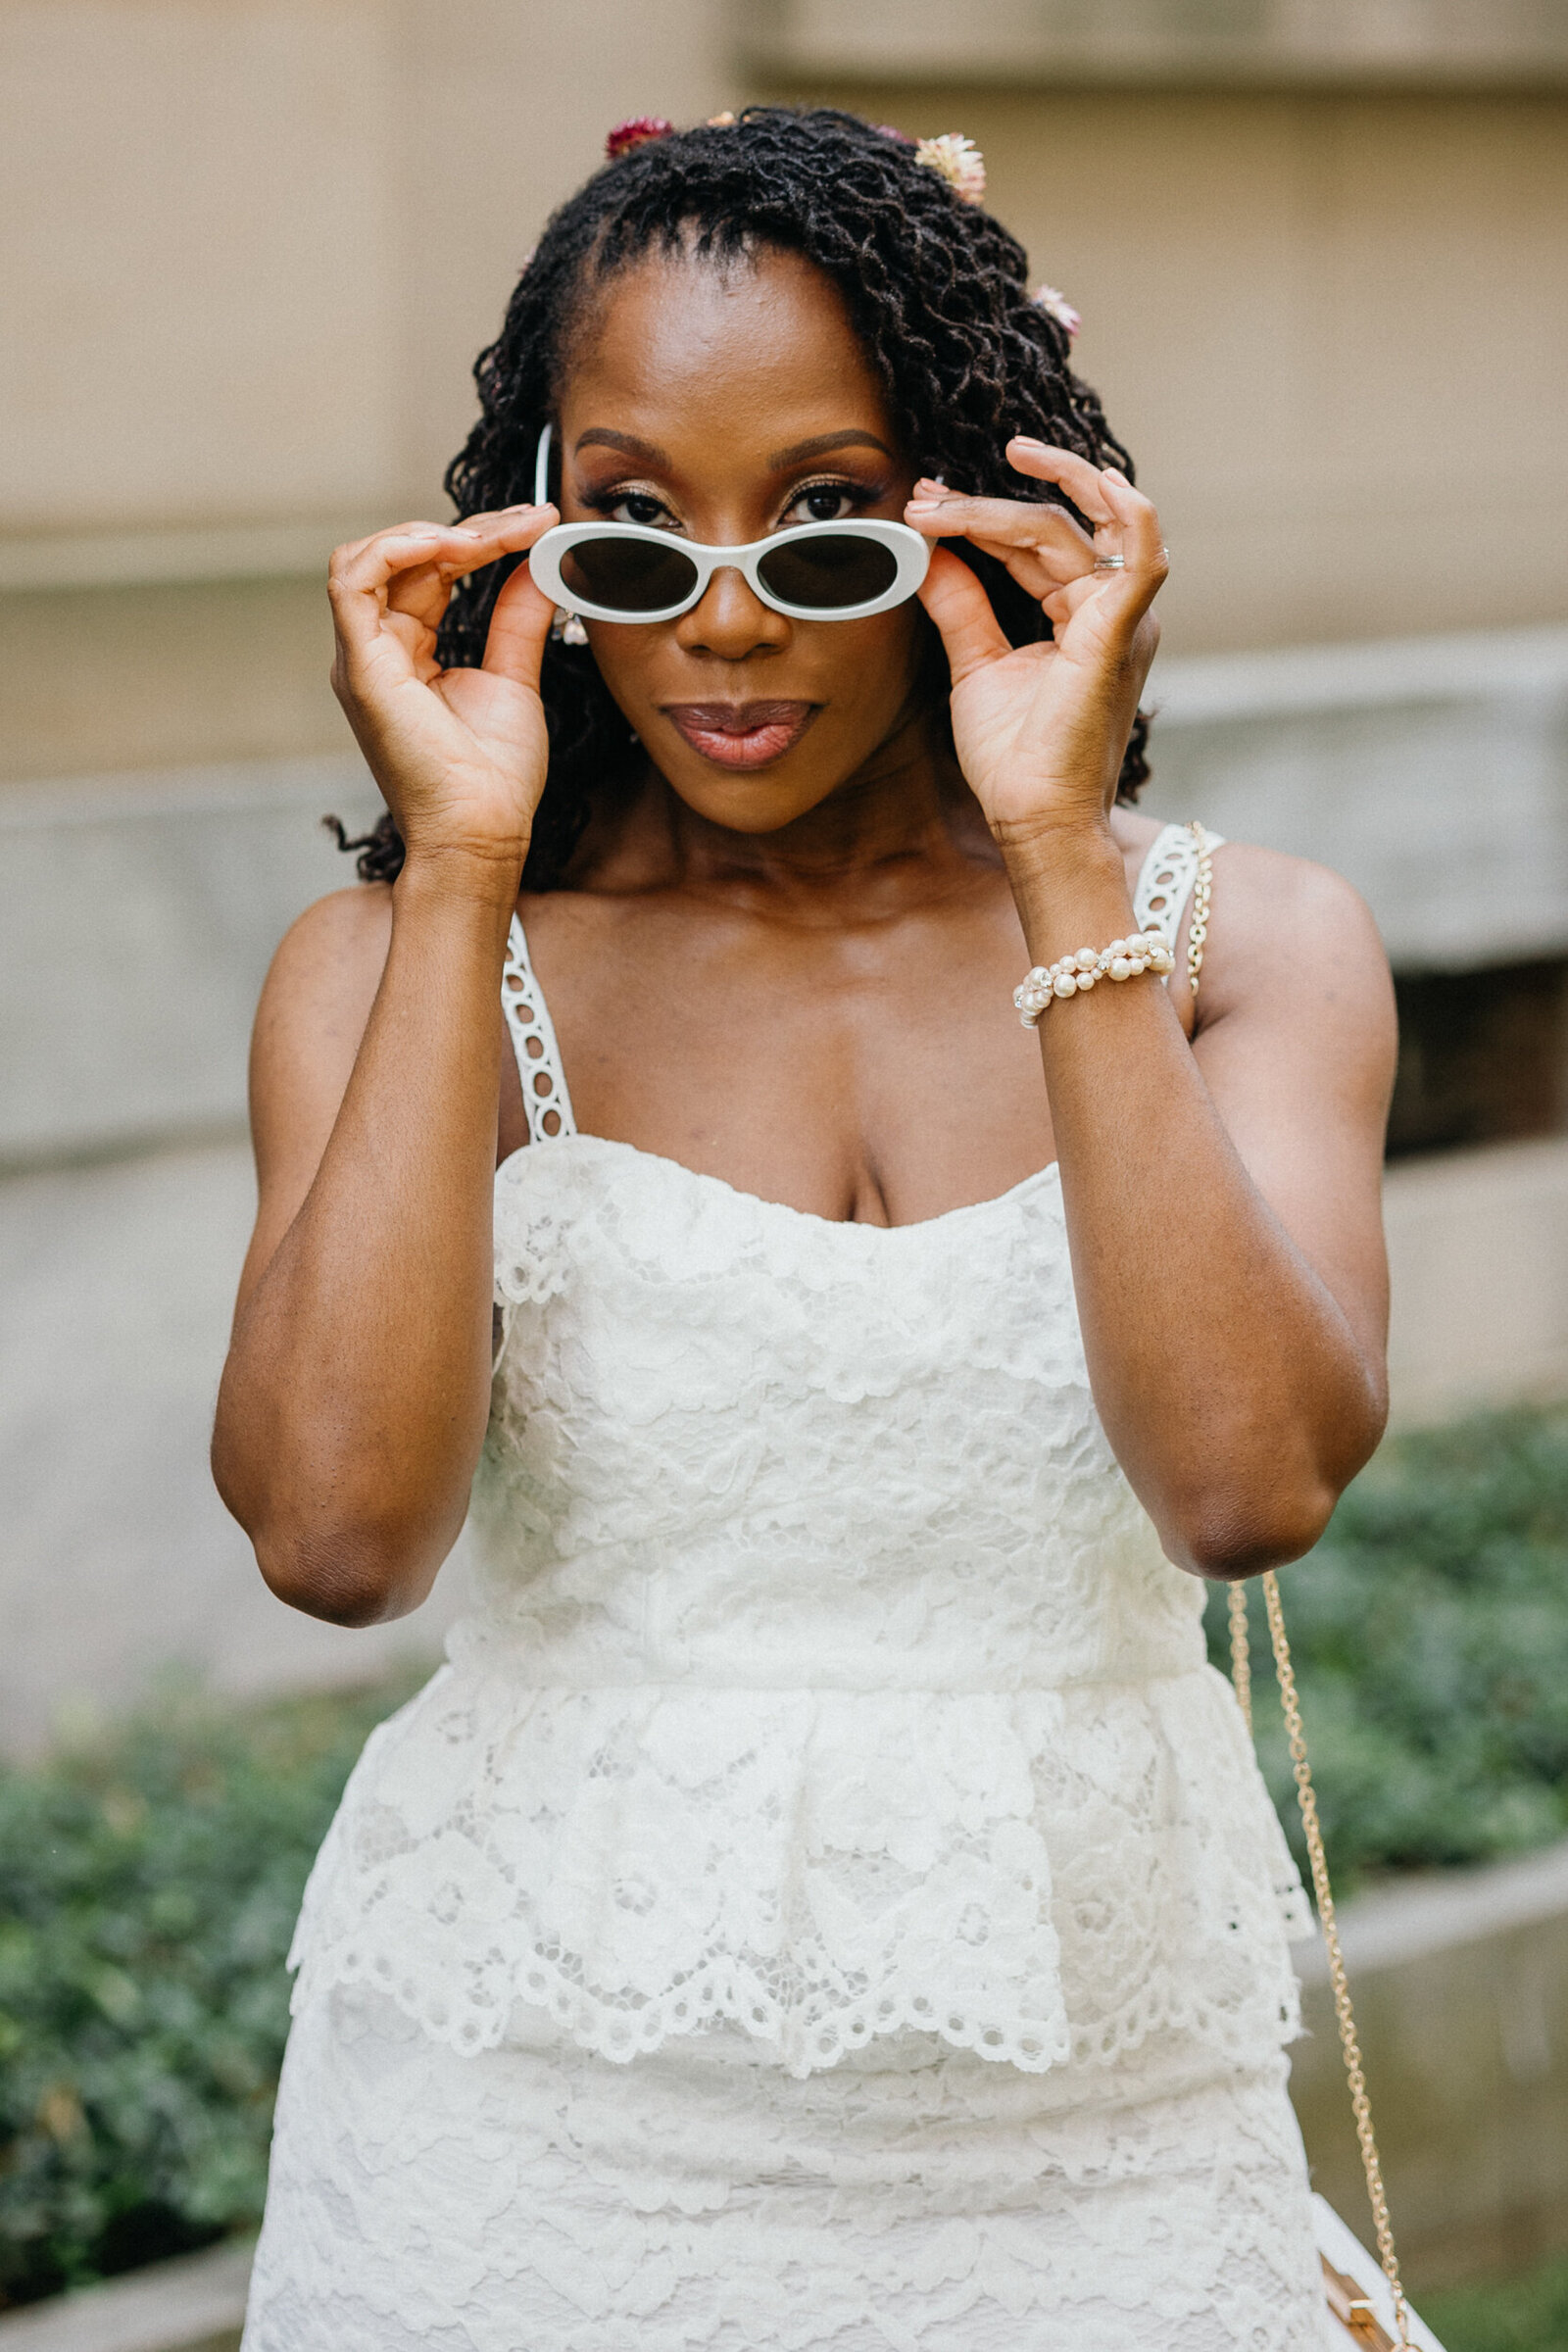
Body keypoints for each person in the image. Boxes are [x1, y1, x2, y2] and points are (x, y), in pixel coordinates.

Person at [214, 106, 1396, 2352]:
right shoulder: (392, 971)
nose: (727, 620)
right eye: (634, 534)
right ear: (527, 535)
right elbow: (338, 1538)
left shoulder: (1247, 947)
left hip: (1098, 2133)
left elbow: (1244, 1486)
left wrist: (1055, 846)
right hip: (528, 2136)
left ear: (984, 512)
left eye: (831, 527)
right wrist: (459, 868)